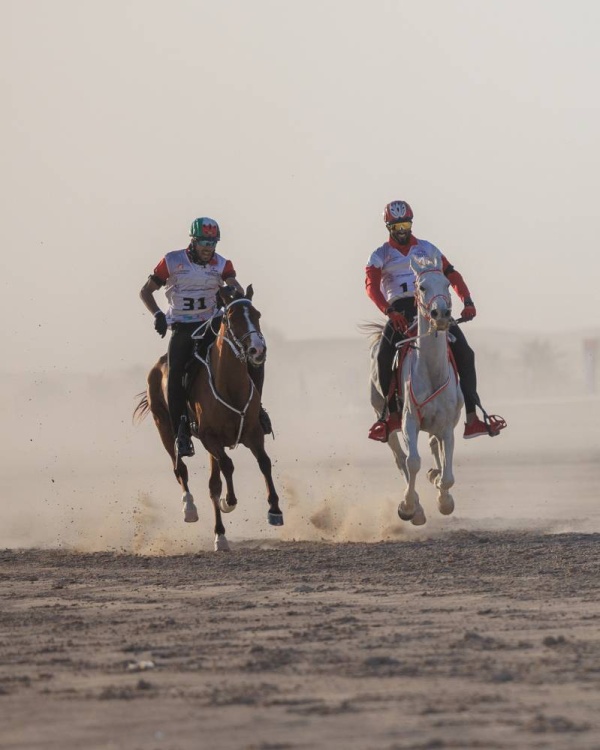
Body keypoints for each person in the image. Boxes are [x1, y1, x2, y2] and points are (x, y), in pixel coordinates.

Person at [365, 200, 506, 441]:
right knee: (383, 355)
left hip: (431, 305)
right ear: (389, 227)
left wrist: (467, 301)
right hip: (399, 309)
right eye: (397, 226)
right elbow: (371, 287)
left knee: (466, 353)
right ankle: (391, 414)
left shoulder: (428, 248)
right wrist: (389, 311)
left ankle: (472, 417)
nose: (402, 231)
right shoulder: (380, 255)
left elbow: (451, 274)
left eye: (406, 225)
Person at [140, 217, 272, 459]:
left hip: (212, 324)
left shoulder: (222, 264)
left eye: (212, 243)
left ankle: (258, 410)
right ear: (193, 241)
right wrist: (158, 314)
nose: (207, 248)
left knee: (254, 357)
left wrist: (233, 292)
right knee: (177, 371)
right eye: (203, 242)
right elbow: (145, 291)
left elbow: (236, 286)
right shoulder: (172, 261)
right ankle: (181, 427)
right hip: (183, 327)